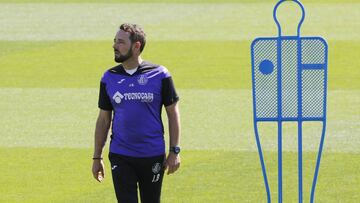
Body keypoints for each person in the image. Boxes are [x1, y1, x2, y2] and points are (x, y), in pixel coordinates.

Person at [91, 23, 181, 203]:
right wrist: (97, 156)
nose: (115, 46)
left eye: (121, 42)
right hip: (121, 155)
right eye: (115, 41)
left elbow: (173, 113)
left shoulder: (160, 74)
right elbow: (103, 119)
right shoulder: (109, 77)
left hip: (152, 155)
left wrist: (174, 151)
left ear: (136, 46)